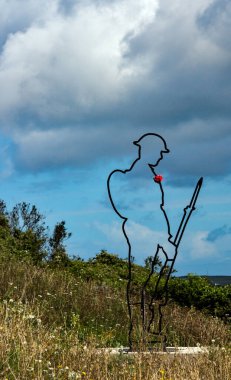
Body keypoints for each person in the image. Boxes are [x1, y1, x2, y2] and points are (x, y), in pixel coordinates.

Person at [107, 133, 177, 350]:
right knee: (142, 285)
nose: (160, 157)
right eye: (159, 152)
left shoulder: (150, 174)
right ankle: (140, 330)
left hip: (160, 236)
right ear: (145, 150)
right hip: (143, 235)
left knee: (158, 286)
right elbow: (136, 211)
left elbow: (158, 210)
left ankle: (151, 327)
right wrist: (160, 236)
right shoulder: (127, 176)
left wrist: (166, 238)